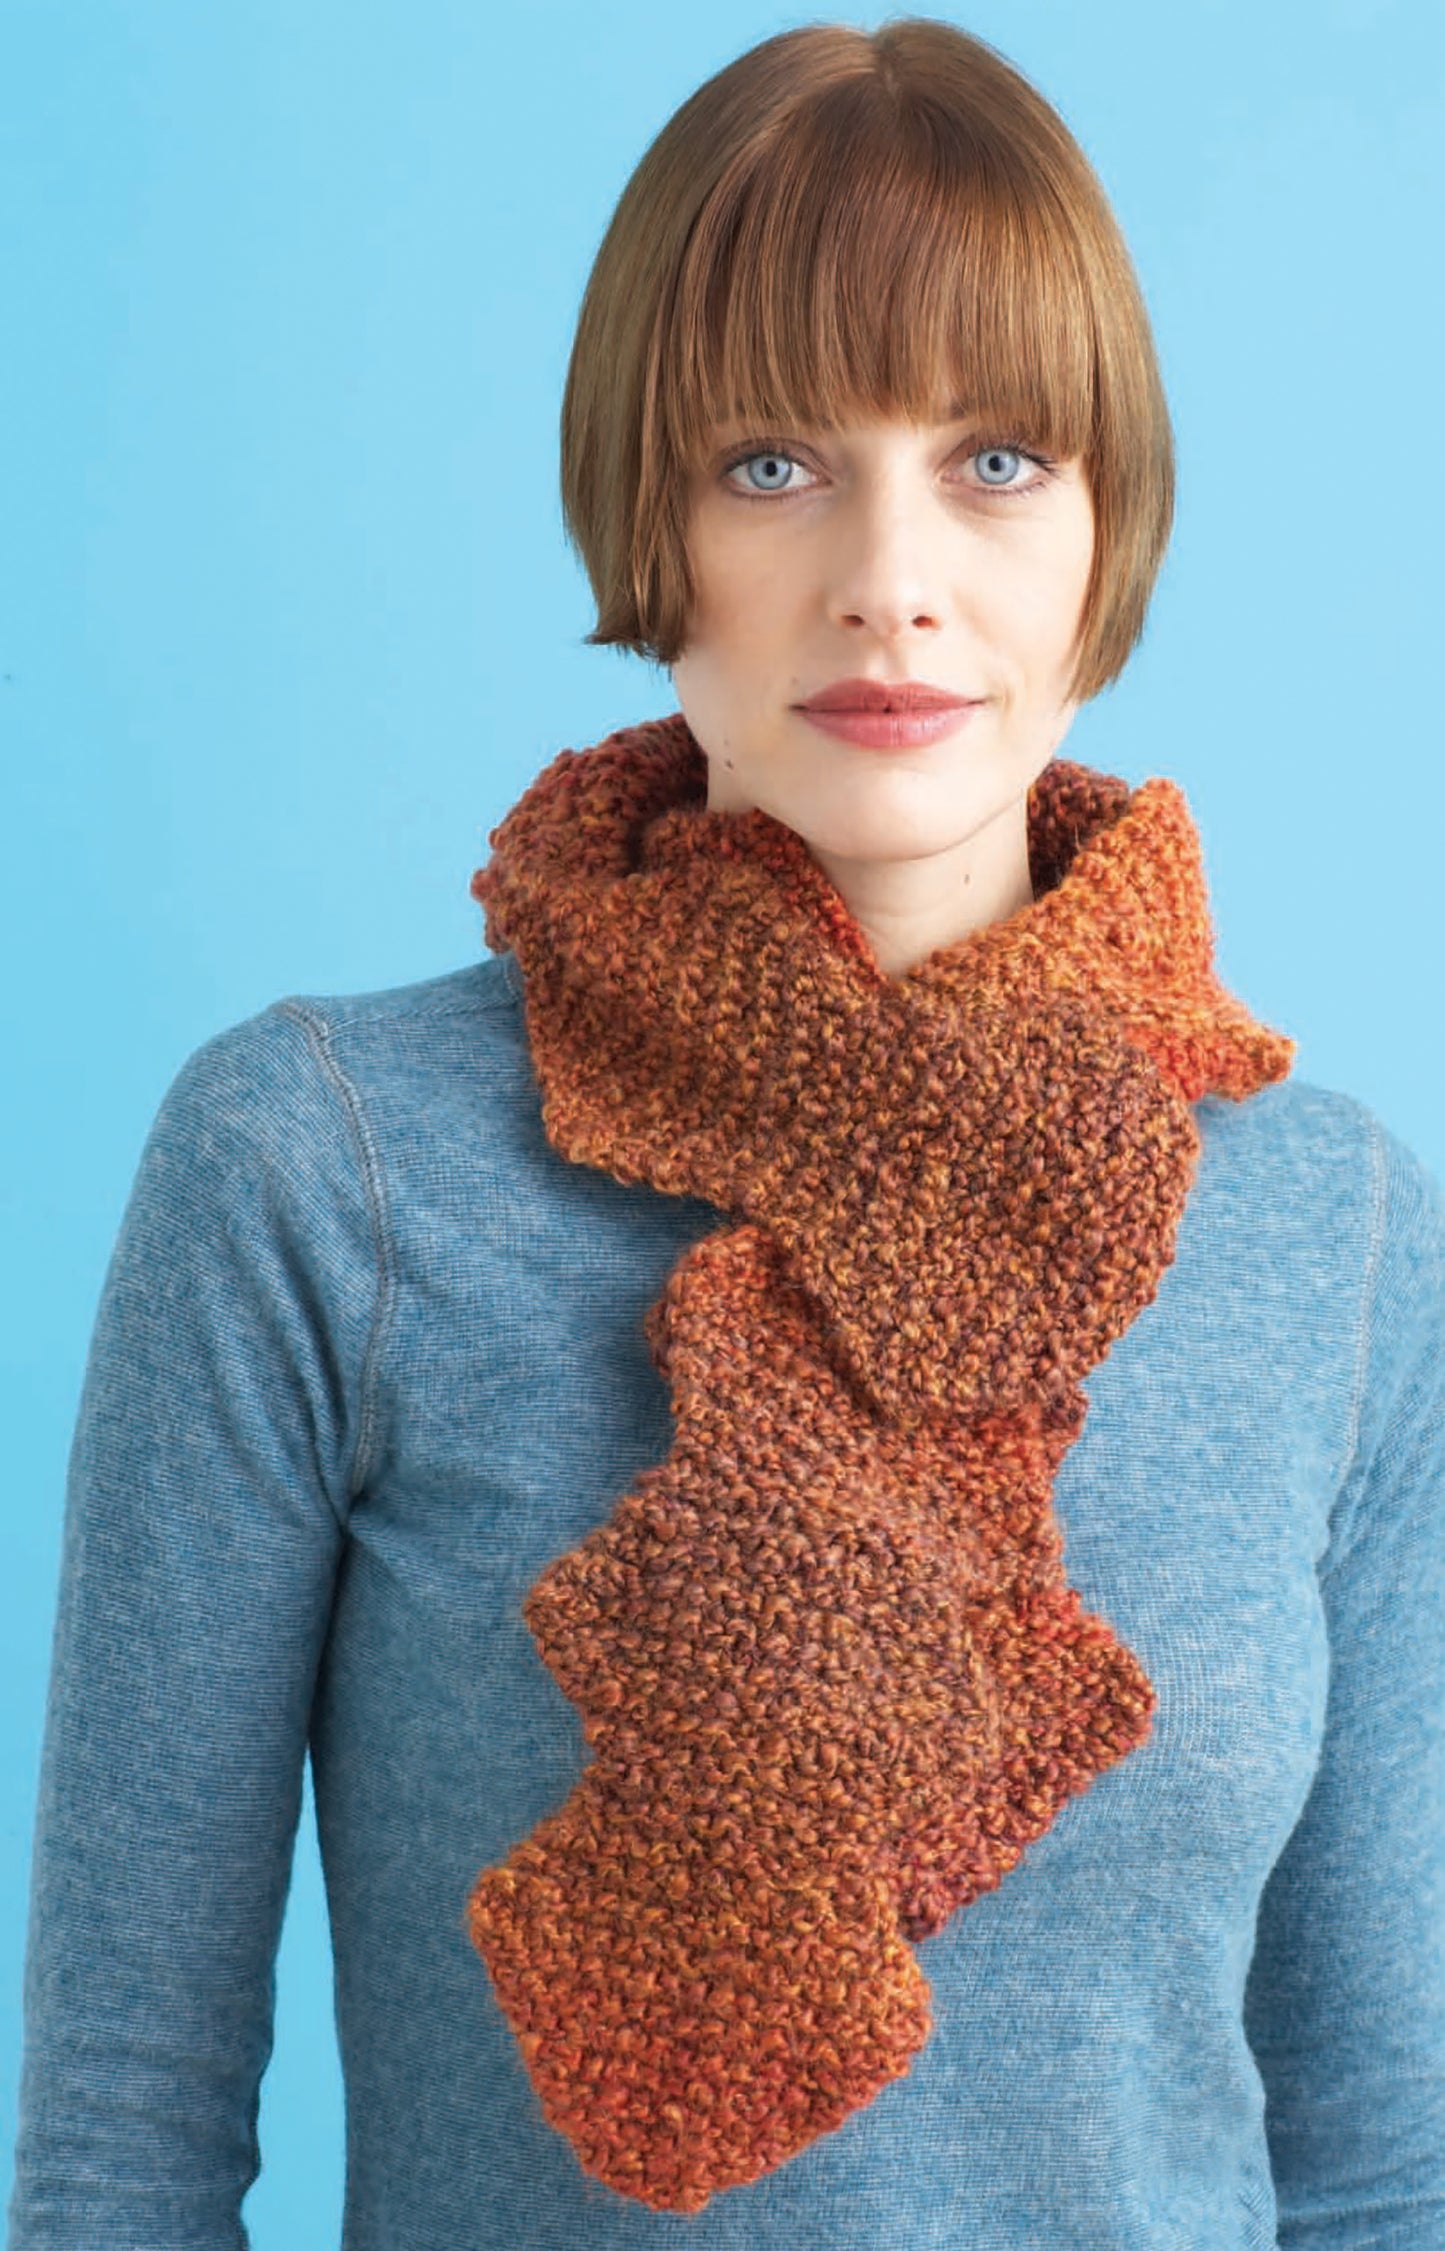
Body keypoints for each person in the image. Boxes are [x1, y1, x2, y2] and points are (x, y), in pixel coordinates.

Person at [9, 17, 1444, 2249]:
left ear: (1106, 527)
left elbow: (1383, 2155)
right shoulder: (324, 1168)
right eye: (773, 460)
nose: (890, 575)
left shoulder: (1324, 1224)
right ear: (647, 510)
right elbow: (121, 2133)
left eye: (995, 461)